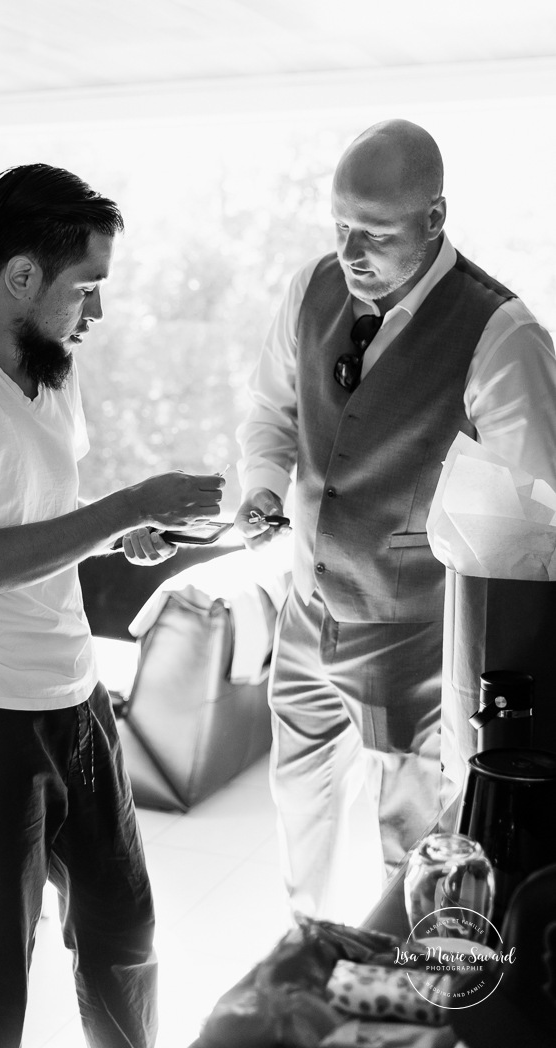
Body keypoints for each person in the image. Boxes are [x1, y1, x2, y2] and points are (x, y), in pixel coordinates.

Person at [0, 163, 224, 1048]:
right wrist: (130, 504)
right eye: (86, 288)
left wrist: (114, 535)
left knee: (125, 934)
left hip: (74, 699)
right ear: (21, 276)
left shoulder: (54, 369)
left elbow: (38, 519)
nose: (96, 313)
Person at [234, 119, 556, 922]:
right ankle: (304, 955)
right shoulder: (308, 288)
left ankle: (397, 1005)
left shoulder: (501, 333)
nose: (350, 253)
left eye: (374, 234)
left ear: (434, 219)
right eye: (340, 226)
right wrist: (264, 483)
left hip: (410, 631)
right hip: (305, 614)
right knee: (298, 804)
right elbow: (271, 407)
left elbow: (546, 499)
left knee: (408, 839)